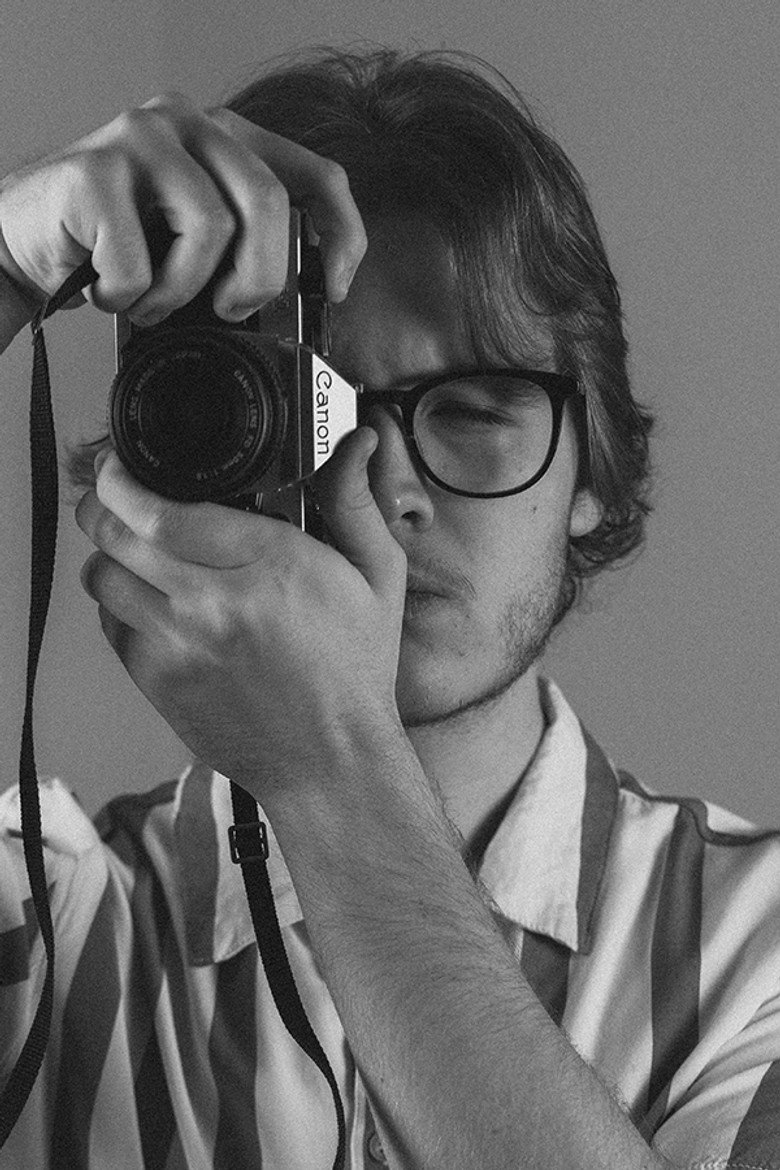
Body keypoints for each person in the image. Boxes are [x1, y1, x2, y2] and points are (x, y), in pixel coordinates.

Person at [0, 46, 778, 1170]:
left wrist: (328, 766)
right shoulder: (46, 917)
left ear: (595, 469)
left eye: (472, 410)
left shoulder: (756, 942)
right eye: (311, 408)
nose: (384, 487)